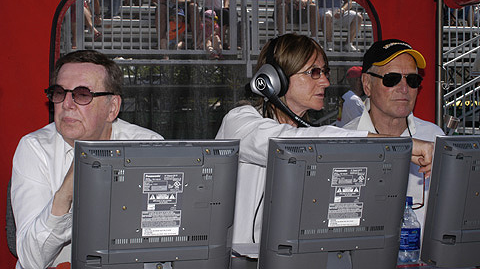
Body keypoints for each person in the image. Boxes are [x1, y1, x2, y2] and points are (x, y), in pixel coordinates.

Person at [215, 33, 434, 247]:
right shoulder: (238, 121)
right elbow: (285, 144)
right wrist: (394, 145)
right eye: (314, 72)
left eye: (325, 72)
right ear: (275, 79)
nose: (326, 82)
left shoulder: (314, 135)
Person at [11, 50, 163, 269]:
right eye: (59, 92)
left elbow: (164, 243)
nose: (67, 104)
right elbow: (31, 260)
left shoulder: (148, 147)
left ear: (112, 108)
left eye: (82, 95)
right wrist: (65, 195)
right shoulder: (34, 149)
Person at [343, 39, 445, 234]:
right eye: (392, 79)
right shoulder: (343, 140)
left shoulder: (435, 137)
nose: (404, 88)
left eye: (412, 80)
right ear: (367, 84)